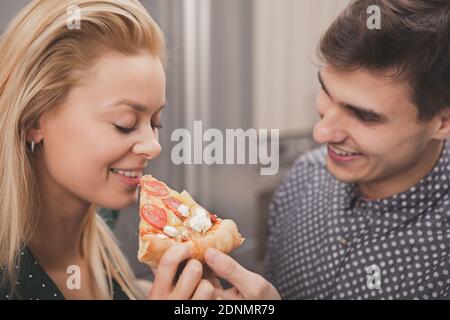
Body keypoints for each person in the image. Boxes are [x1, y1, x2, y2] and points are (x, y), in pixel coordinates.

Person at [205, 0, 450, 300]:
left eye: (363, 116)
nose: (321, 133)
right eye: (326, 91)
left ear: (443, 121)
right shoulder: (304, 177)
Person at [0, 0, 221, 300]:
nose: (153, 147)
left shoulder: (104, 220)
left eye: (156, 123)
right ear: (33, 120)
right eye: (125, 124)